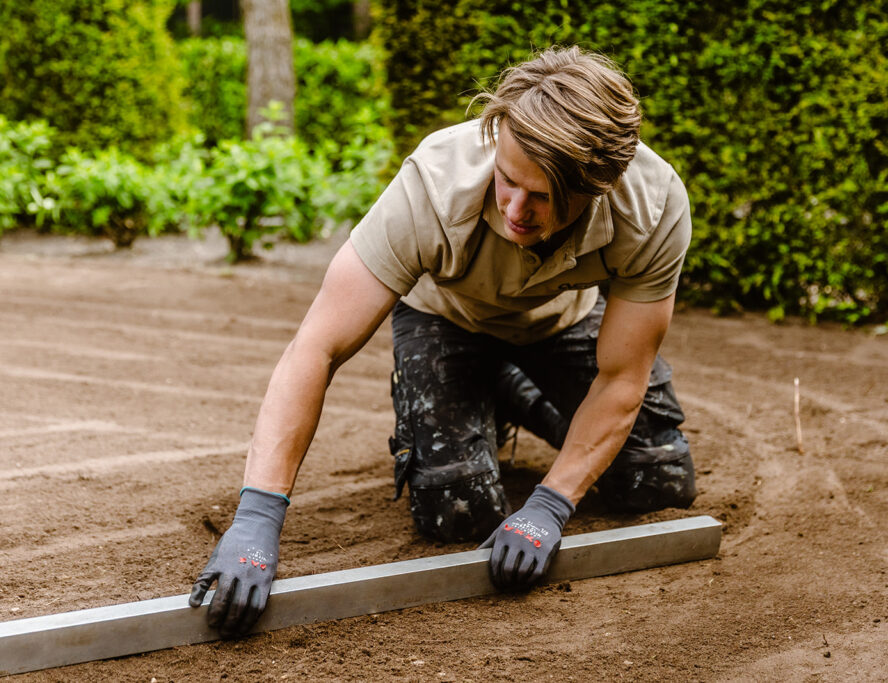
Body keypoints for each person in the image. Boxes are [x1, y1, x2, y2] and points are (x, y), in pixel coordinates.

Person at [189, 45, 698, 637]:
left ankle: (512, 393)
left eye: (541, 197)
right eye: (508, 181)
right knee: (458, 510)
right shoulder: (431, 185)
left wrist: (550, 504)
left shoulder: (654, 204)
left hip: (563, 320)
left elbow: (621, 377)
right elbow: (316, 347)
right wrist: (256, 516)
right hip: (445, 319)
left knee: (655, 479)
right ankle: (483, 386)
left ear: (599, 186)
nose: (515, 209)